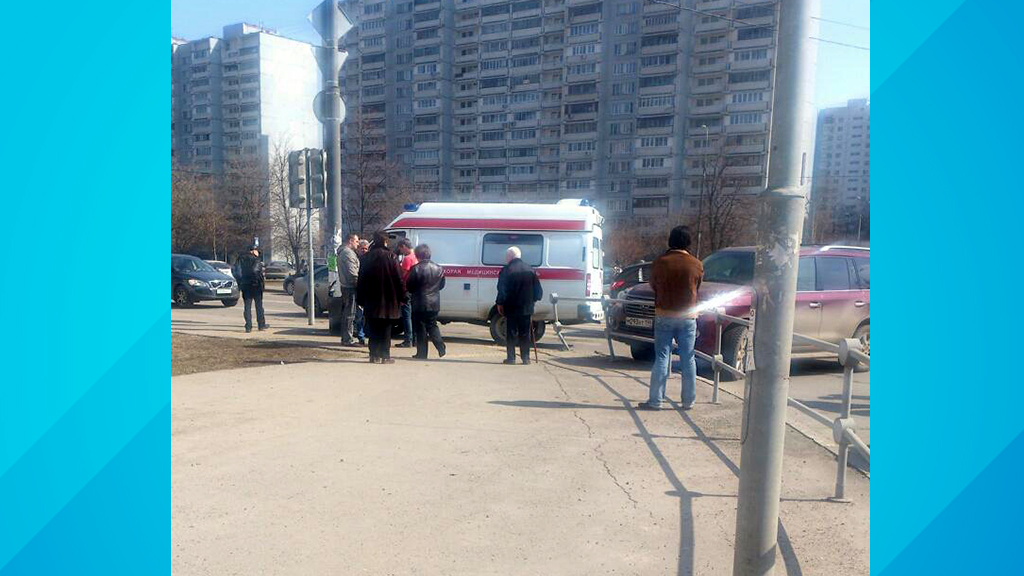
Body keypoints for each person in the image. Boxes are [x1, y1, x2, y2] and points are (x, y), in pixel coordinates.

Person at [637, 225, 704, 411]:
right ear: (688, 242)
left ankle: (655, 401)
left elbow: (653, 285)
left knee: (661, 357)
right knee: (688, 358)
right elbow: (697, 287)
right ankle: (688, 401)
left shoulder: (660, 262)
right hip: (688, 316)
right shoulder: (696, 264)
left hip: (664, 314)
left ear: (671, 241)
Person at [356, 233, 406, 364]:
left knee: (373, 328)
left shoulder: (366, 258)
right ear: (385, 242)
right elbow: (399, 280)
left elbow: (361, 279)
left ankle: (373, 355)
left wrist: (360, 298)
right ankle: (385, 356)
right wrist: (403, 296)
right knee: (386, 329)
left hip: (371, 299)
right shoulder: (392, 257)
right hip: (389, 300)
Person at [496, 246, 542, 365]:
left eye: (506, 256)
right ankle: (526, 358)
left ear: (510, 256)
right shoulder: (530, 270)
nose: (505, 259)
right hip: (526, 307)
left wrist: (499, 303)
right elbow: (538, 291)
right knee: (525, 333)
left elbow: (502, 289)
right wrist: (533, 300)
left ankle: (511, 358)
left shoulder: (506, 270)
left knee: (511, 333)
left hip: (511, 307)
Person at [405, 244, 447, 359]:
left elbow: (409, 286)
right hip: (434, 302)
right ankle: (441, 346)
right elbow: (442, 285)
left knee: (421, 328)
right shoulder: (439, 268)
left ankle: (422, 353)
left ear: (418, 255)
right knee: (432, 325)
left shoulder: (415, 269)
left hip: (419, 302)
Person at [233, 245, 268, 333]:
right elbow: (255, 270)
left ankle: (248, 326)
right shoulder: (256, 259)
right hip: (256, 285)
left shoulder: (240, 259)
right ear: (253, 251)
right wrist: (256, 280)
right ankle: (261, 325)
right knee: (259, 306)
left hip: (245, 285)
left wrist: (241, 281)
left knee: (247, 306)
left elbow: (236, 272)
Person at [336, 233, 361, 347]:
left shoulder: (344, 252)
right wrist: (360, 285)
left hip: (346, 286)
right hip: (350, 287)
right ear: (350, 240)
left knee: (349, 313)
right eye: (356, 241)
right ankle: (347, 339)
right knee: (350, 314)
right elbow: (352, 274)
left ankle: (347, 338)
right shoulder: (347, 253)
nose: (358, 243)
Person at [395, 238, 418, 348]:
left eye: (401, 249)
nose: (401, 251)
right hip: (414, 289)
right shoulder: (416, 257)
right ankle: (415, 339)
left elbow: (402, 274)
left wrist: (398, 267)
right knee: (413, 316)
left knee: (406, 316)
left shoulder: (407, 258)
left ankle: (408, 340)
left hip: (406, 289)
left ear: (404, 246)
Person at [353, 239, 370, 346]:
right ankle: (361, 337)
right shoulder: (355, 259)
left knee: (367, 316)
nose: (364, 250)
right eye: (362, 248)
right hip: (359, 291)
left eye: (366, 249)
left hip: (368, 291)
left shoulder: (370, 259)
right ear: (358, 249)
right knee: (359, 316)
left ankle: (367, 335)